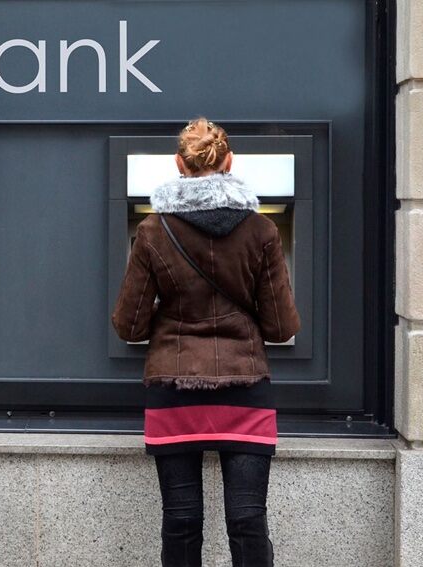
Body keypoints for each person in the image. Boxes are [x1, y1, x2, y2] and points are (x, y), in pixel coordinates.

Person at [111, 118, 300, 567]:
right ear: (229, 162)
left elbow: (129, 325)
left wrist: (171, 315)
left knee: (180, 518)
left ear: (179, 164)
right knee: (249, 518)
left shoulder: (154, 232)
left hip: (174, 387)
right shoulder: (262, 232)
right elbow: (280, 327)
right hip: (245, 385)